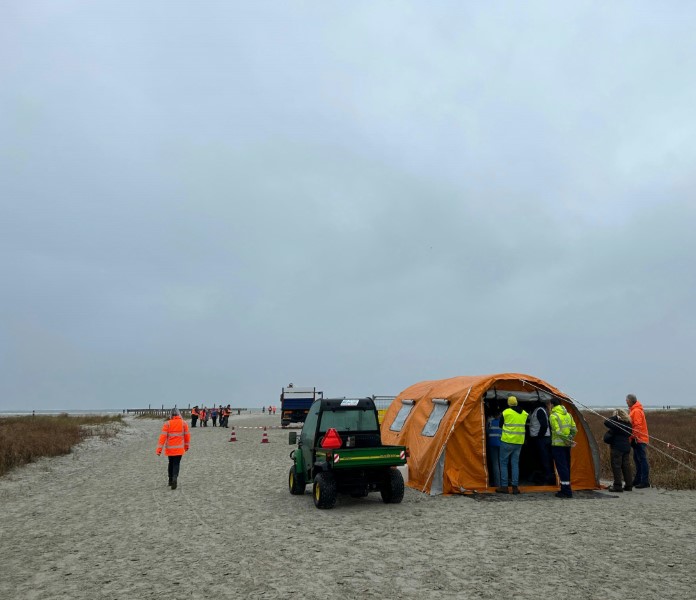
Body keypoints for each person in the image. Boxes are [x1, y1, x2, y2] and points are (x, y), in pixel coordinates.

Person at [496, 396, 528, 495]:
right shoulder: (524, 413)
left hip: (507, 440)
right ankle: (515, 487)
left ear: (509, 403)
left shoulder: (506, 412)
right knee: (515, 464)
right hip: (519, 442)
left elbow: (500, 425)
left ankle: (504, 487)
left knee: (504, 463)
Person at [546, 398, 577, 498]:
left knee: (561, 467)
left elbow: (557, 431)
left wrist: (565, 439)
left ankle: (566, 490)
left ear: (552, 404)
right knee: (566, 466)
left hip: (558, 446)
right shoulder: (568, 415)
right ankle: (566, 488)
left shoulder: (553, 416)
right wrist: (569, 439)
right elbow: (574, 430)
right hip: (567, 446)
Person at [156, 408, 190, 490]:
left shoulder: (167, 424)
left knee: (170, 463)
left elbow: (162, 437)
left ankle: (170, 480)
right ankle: (175, 478)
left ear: (171, 414)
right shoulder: (184, 423)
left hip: (170, 449)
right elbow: (187, 436)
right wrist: (186, 446)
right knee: (176, 464)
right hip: (179, 449)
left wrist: (159, 449)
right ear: (179, 414)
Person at [603, 409, 633, 492]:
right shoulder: (628, 424)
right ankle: (629, 485)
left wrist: (615, 417)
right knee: (626, 466)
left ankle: (617, 485)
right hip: (626, 447)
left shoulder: (617, 424)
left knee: (616, 466)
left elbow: (606, 422)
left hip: (617, 448)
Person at [527, 402, 555, 485]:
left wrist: (539, 436)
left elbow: (544, 425)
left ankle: (548, 477)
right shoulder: (535, 411)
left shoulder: (539, 411)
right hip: (540, 438)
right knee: (542, 458)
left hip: (543, 439)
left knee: (544, 458)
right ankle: (545, 476)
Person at [626, 394, 650, 488]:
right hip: (637, 439)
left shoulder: (636, 411)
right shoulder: (634, 410)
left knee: (642, 460)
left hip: (639, 439)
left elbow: (638, 426)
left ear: (631, 401)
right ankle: (637, 480)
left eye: (627, 400)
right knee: (637, 460)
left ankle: (645, 481)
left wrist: (633, 437)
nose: (626, 402)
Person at [486, 409, 502, 488]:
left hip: (492, 444)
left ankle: (497, 483)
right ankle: (503, 483)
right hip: (502, 444)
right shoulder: (503, 422)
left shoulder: (490, 422)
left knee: (495, 464)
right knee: (502, 464)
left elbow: (487, 431)